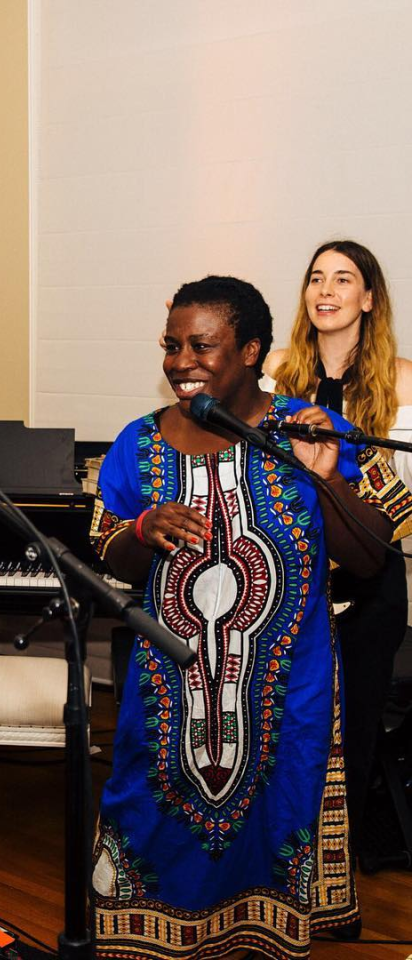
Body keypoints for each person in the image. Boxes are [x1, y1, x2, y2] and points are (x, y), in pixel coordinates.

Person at [89, 276, 409, 959]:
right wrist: (143, 529)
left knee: (277, 817)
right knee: (147, 813)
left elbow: (372, 555)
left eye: (201, 346)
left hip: (287, 694)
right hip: (166, 694)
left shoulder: (312, 428)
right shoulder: (136, 441)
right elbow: (108, 550)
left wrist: (322, 477)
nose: (180, 361)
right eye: (171, 345)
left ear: (251, 351)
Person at [263, 240, 412, 858]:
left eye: (343, 280)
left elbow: (401, 507)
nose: (326, 291)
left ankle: (335, 867)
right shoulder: (272, 371)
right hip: (287, 574)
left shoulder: (403, 381)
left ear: (369, 298)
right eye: (316, 278)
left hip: (368, 579)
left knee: (350, 726)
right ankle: (280, 852)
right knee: (284, 723)